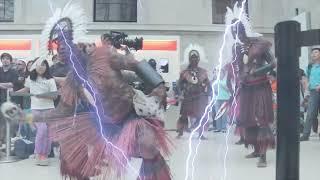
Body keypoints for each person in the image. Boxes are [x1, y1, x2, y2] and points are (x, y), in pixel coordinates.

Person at [28, 4, 172, 179]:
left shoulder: (104, 56)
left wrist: (158, 85)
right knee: (70, 148)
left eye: (67, 45)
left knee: (148, 146)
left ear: (78, 45)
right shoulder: (72, 82)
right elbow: (61, 112)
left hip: (131, 115)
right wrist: (27, 116)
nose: (64, 50)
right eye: (60, 49)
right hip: (100, 123)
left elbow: (133, 63)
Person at [227, 3, 276, 167]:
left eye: (238, 30)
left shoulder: (259, 44)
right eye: (234, 31)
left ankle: (263, 155)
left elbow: (274, 63)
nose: (236, 34)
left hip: (260, 86)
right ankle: (256, 149)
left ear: (243, 29)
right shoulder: (236, 49)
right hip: (246, 88)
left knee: (261, 120)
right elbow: (237, 68)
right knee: (249, 121)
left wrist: (258, 71)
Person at [15, 59, 57, 166]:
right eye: (39, 65)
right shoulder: (30, 78)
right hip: (35, 109)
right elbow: (26, 89)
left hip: (49, 109)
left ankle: (45, 154)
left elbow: (55, 95)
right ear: (35, 66)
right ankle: (38, 153)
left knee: (48, 133)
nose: (41, 67)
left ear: (46, 67)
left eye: (44, 65)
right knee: (42, 130)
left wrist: (42, 95)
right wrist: (13, 93)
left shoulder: (50, 80)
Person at [176, 48, 211, 139]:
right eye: (192, 58)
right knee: (184, 115)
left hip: (199, 97)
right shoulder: (184, 72)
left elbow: (208, 83)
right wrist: (180, 94)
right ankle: (180, 132)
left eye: (196, 58)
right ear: (189, 59)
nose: (194, 60)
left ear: (198, 59)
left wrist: (209, 94)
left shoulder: (203, 72)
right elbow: (179, 84)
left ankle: (200, 134)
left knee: (201, 116)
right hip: (188, 97)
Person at [300, 48, 320, 141]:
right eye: (312, 53)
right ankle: (305, 134)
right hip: (313, 92)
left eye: (316, 52)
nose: (313, 54)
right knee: (310, 113)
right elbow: (307, 78)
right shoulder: (310, 67)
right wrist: (307, 85)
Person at [0, 53, 19, 145]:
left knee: (8, 120)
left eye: (7, 59)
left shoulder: (14, 72)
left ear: (10, 61)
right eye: (3, 58)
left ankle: (7, 141)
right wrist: (5, 85)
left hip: (9, 100)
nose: (5, 60)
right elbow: (8, 85)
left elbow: (12, 84)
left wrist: (0, 85)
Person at [213, 67, 231, 133]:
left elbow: (228, 89)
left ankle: (224, 128)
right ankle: (218, 128)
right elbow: (214, 90)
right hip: (217, 99)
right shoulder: (215, 81)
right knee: (218, 113)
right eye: (218, 73)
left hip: (225, 99)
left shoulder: (226, 81)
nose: (220, 74)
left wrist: (221, 84)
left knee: (224, 114)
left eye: (221, 73)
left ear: (223, 74)